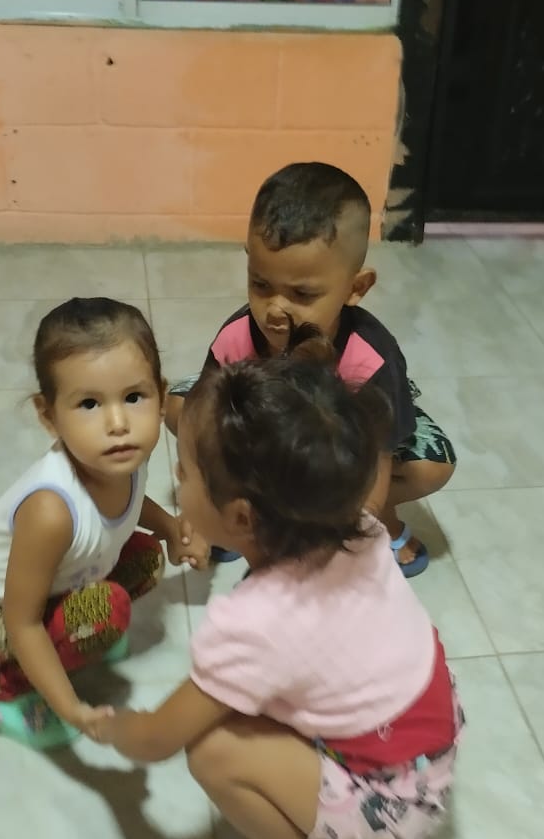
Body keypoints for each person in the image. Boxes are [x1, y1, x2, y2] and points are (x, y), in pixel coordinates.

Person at [91, 329, 464, 839]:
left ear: (240, 518)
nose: (176, 483)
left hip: (395, 798)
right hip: (424, 733)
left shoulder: (253, 625)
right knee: (250, 703)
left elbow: (158, 740)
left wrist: (116, 728)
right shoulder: (357, 524)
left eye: (184, 474)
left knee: (213, 750)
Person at [0, 297, 209, 750]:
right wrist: (71, 708)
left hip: (50, 582)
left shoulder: (118, 457)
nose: (118, 423)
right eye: (88, 403)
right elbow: (23, 623)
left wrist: (168, 528)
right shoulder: (50, 511)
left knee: (145, 559)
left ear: (161, 397)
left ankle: (76, 636)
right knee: (104, 611)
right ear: (49, 416)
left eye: (134, 397)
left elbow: (127, 502)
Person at [165, 161, 457, 577]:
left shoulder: (371, 358)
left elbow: (377, 457)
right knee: (181, 410)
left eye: (302, 294)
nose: (275, 309)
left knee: (430, 467)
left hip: (344, 449)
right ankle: (241, 509)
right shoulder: (237, 336)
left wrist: (357, 533)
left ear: (356, 288)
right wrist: (210, 506)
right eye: (260, 284)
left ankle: (384, 523)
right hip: (268, 432)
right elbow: (208, 418)